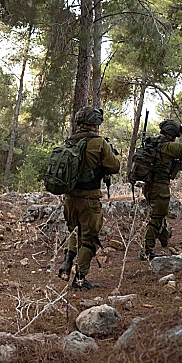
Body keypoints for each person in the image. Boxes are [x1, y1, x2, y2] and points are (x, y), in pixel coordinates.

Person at [56, 106, 120, 290]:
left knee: (74, 232)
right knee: (89, 239)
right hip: (89, 199)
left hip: (69, 198)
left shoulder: (69, 141)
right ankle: (80, 279)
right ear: (95, 123)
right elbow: (115, 166)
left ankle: (67, 263)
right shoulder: (99, 143)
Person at [140, 119, 182, 260]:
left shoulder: (153, 143)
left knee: (159, 215)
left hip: (149, 186)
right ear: (172, 133)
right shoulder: (167, 147)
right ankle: (147, 251)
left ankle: (165, 238)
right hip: (160, 187)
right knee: (156, 218)